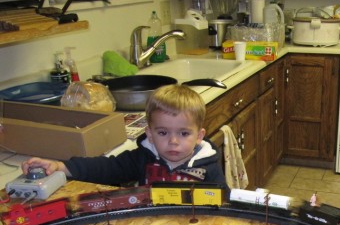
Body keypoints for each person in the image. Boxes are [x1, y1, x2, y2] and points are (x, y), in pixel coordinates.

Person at [21, 84, 226, 188]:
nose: (173, 141)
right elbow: (104, 168)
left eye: (183, 133)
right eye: (163, 132)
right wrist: (61, 167)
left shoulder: (209, 166)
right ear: (150, 134)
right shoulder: (140, 158)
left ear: (199, 136)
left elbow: (224, 201)